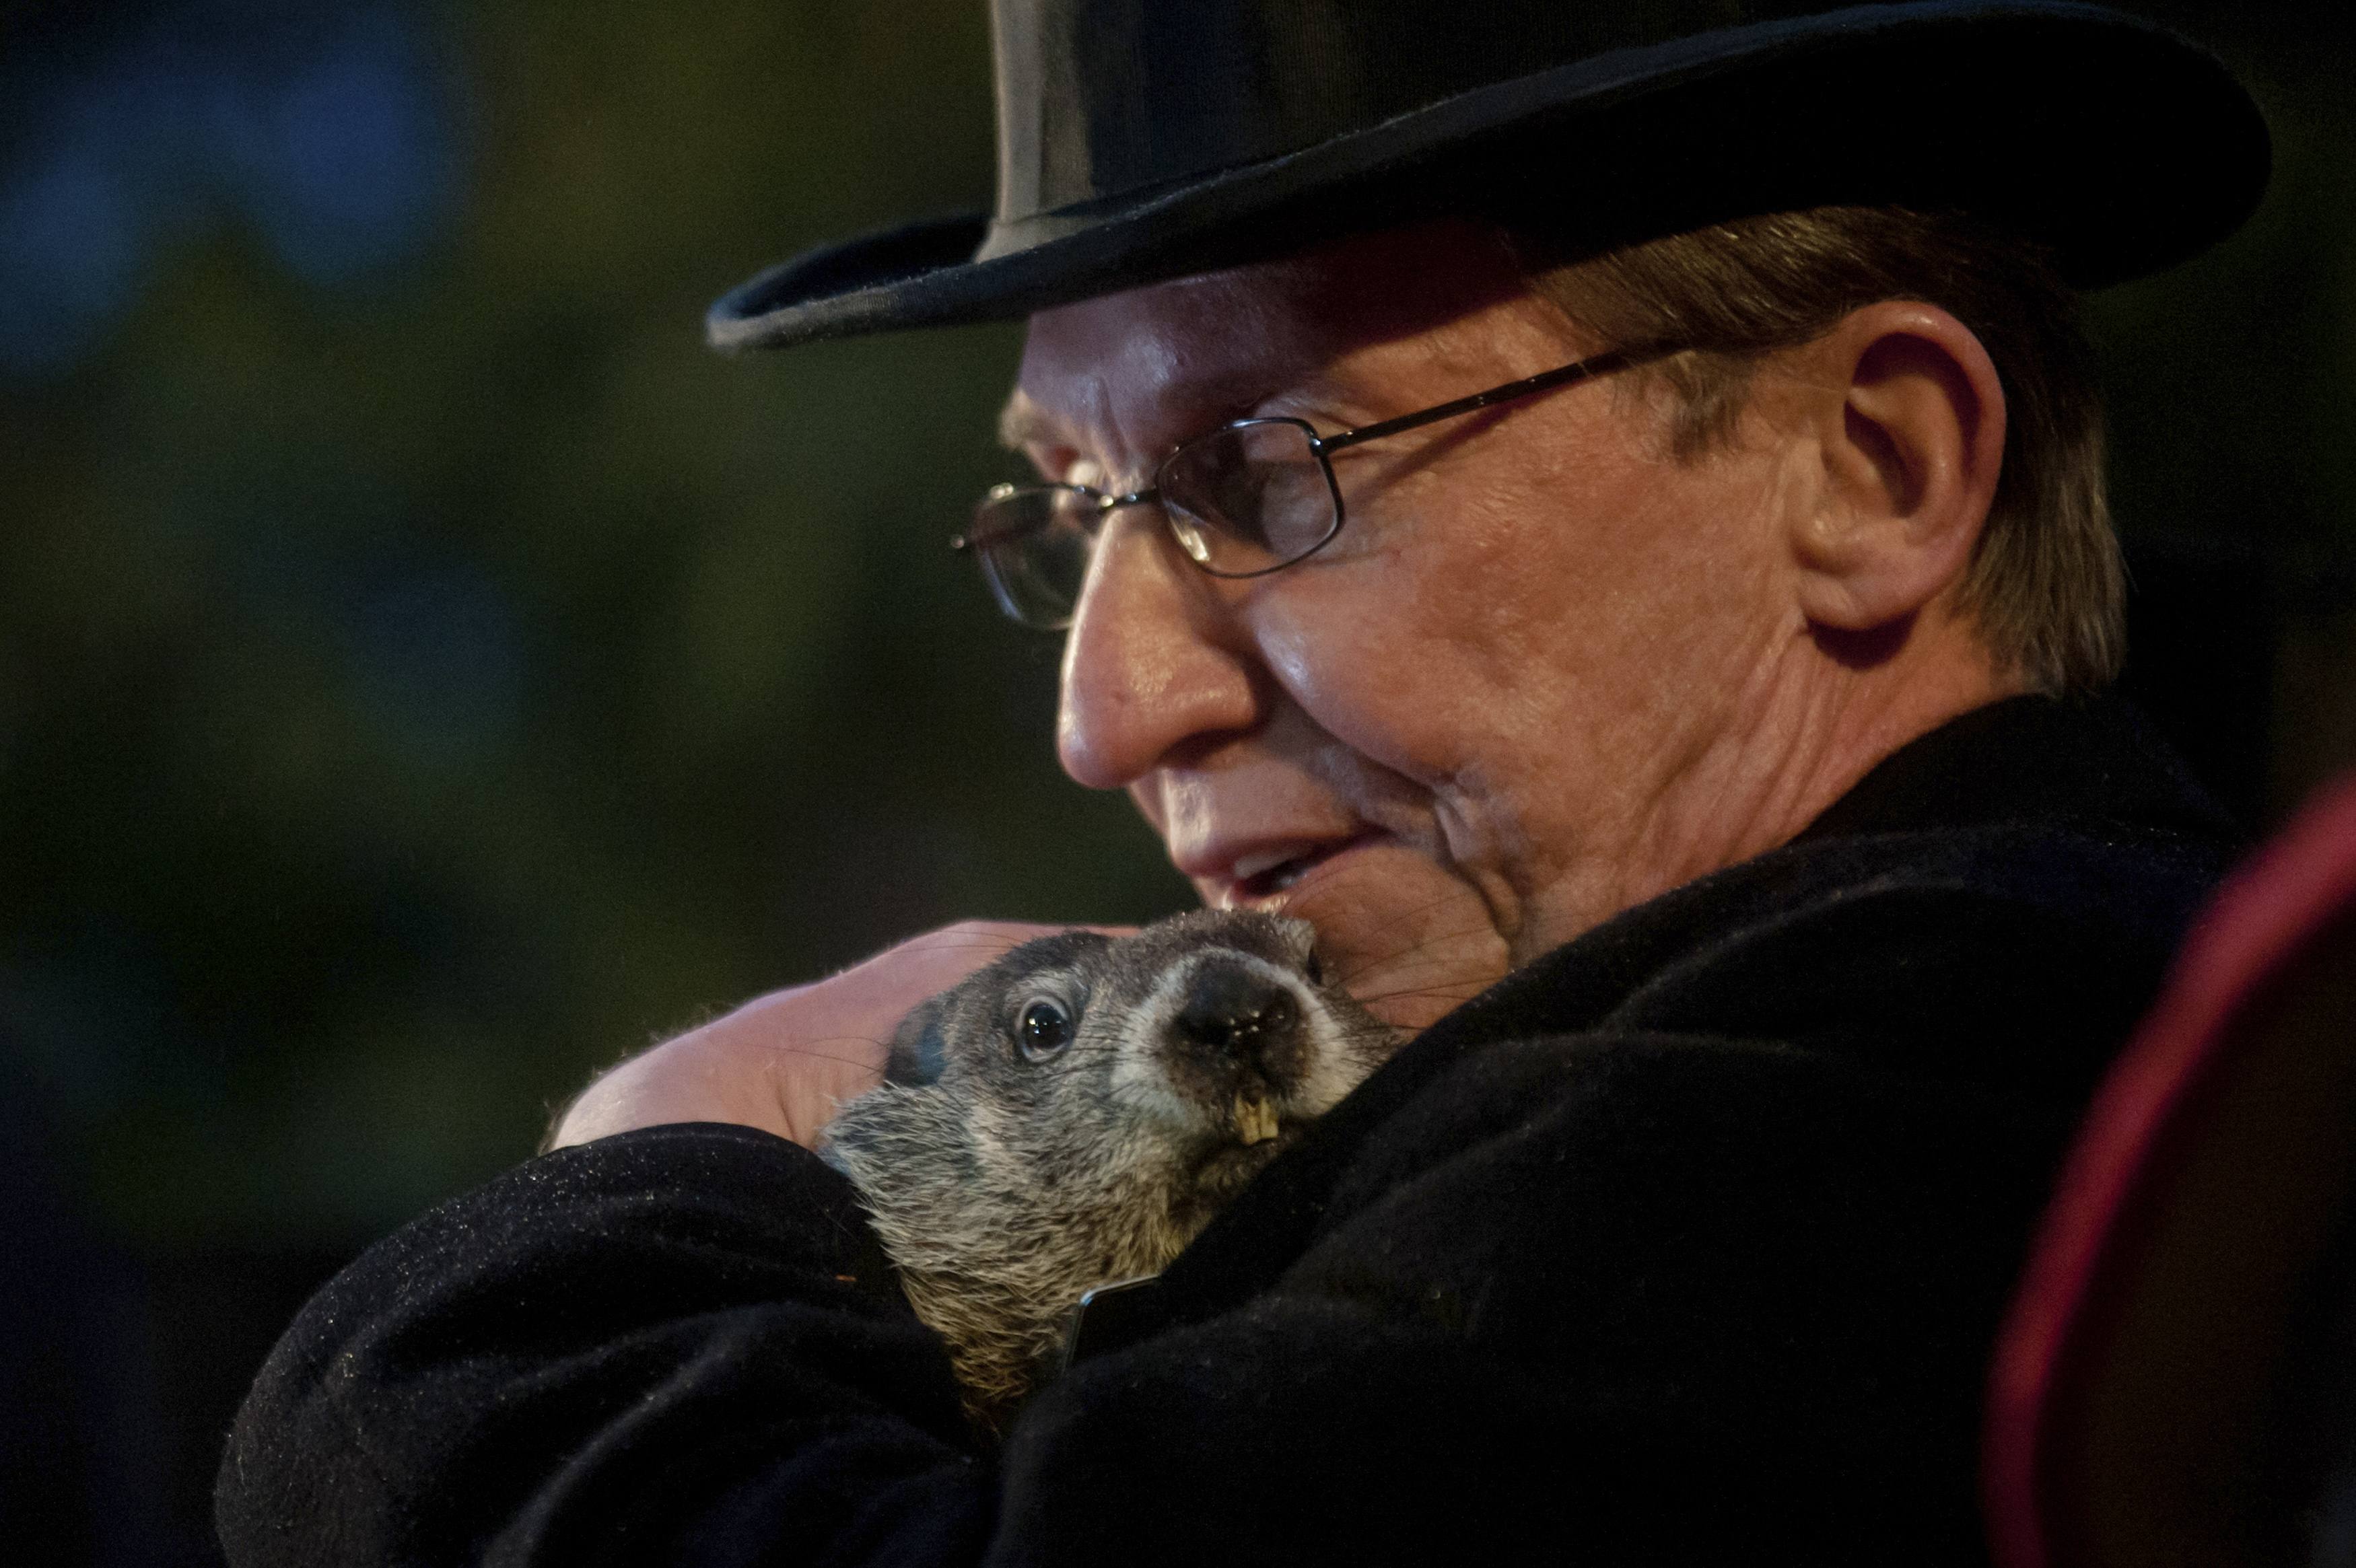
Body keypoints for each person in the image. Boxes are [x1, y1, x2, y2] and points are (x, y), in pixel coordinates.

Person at [215, 3, 2273, 1563]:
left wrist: (641, 1182)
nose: (1104, 717)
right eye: (1068, 498)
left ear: (1870, 467)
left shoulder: (1931, 1062)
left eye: (1265, 470)